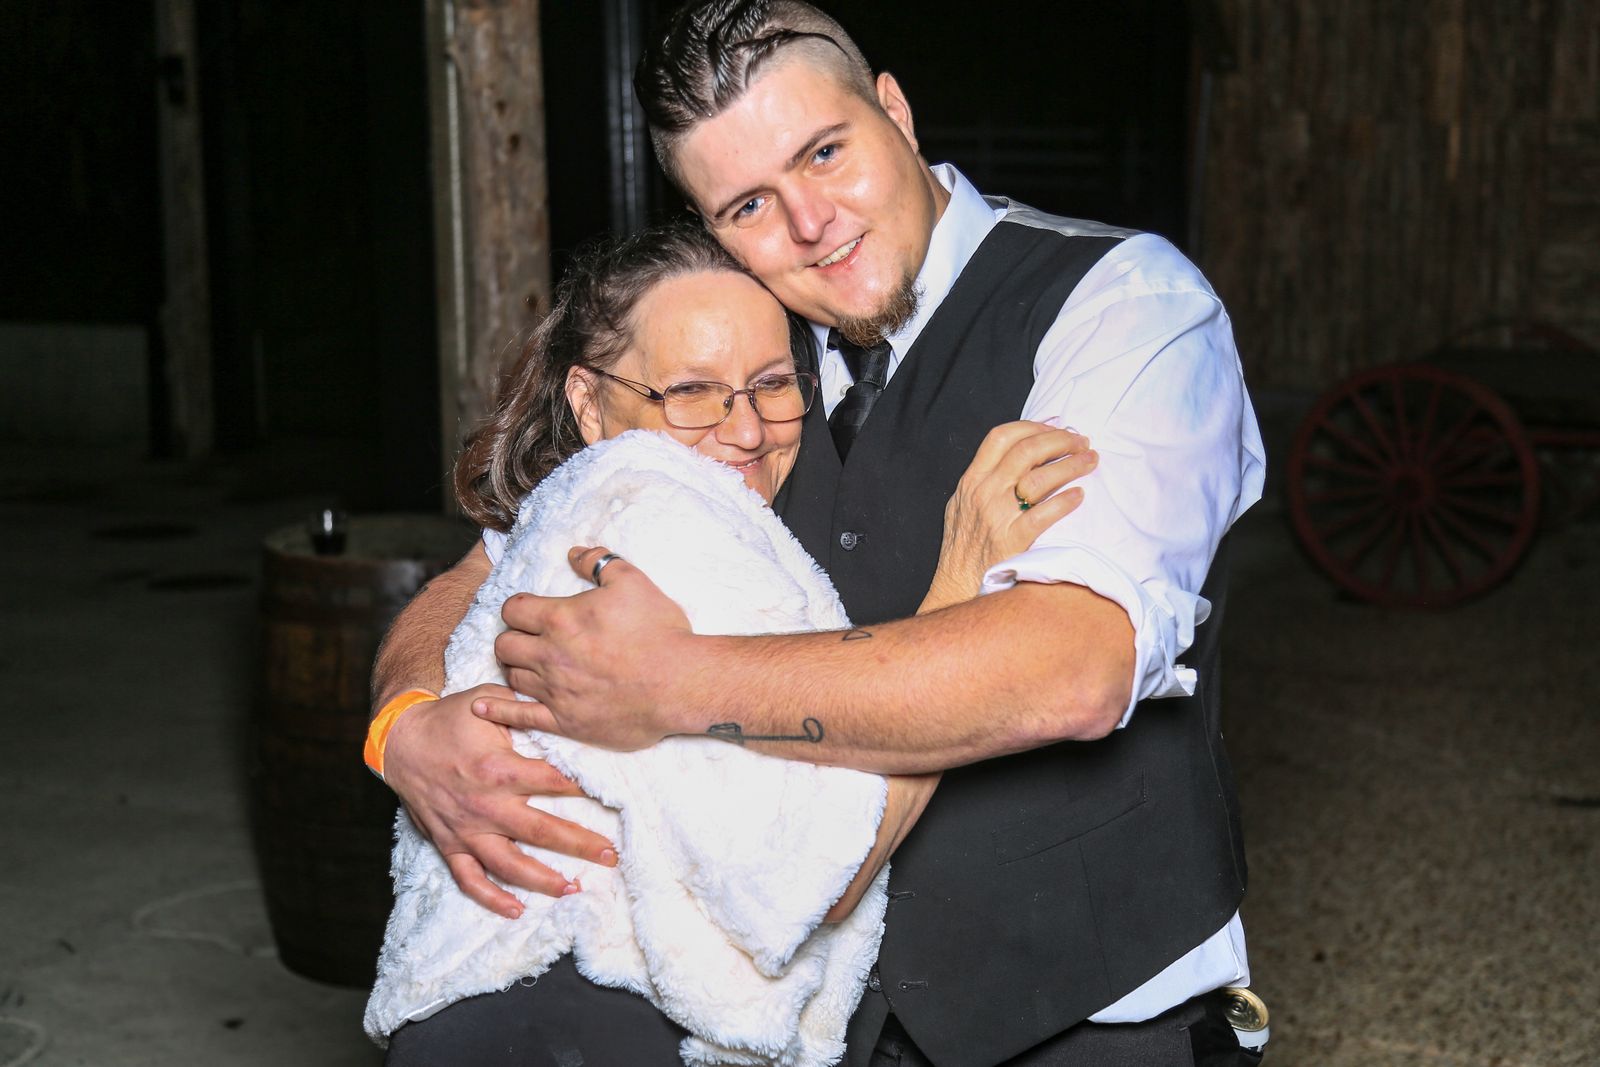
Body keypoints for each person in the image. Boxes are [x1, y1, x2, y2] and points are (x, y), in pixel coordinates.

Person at [377, 2, 1267, 1064]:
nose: (809, 223)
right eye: (749, 203)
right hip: (804, 1020)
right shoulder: (740, 346)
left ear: (894, 109)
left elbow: (1070, 668)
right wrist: (405, 722)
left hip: (1085, 1005)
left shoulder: (1119, 304)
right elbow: (479, 573)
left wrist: (676, 681)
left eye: (826, 153)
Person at [370, 220, 1095, 1064]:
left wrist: (397, 721)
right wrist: (964, 574)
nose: (745, 430)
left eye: (772, 384)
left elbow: (468, 575)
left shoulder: (586, 495)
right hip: (585, 1024)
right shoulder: (662, 522)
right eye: (690, 391)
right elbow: (812, 875)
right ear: (588, 402)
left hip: (487, 1004)